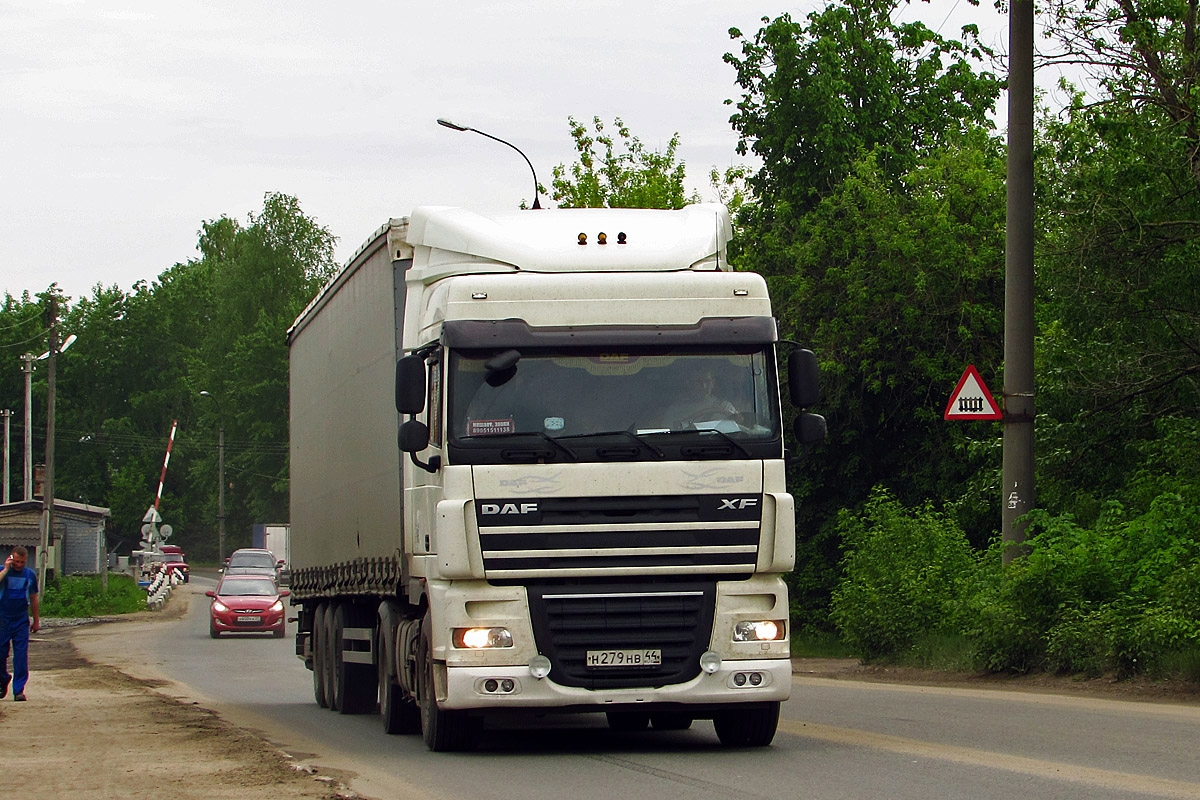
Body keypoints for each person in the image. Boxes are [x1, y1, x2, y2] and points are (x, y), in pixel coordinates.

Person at [0, 546, 39, 702]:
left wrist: (36, 620)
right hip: (2, 619)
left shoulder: (30, 575)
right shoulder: (3, 571)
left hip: (21, 620)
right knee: (1, 654)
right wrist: (6, 569)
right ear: (11, 559)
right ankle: (3, 678)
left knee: (21, 656)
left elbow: (34, 598)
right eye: (16, 561)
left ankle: (19, 690)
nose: (20, 565)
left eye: (22, 562)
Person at [663, 368, 737, 428]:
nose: (703, 386)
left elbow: (736, 433)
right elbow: (668, 437)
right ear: (690, 383)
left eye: (707, 381)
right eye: (698, 382)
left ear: (713, 383)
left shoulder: (725, 407)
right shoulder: (676, 409)